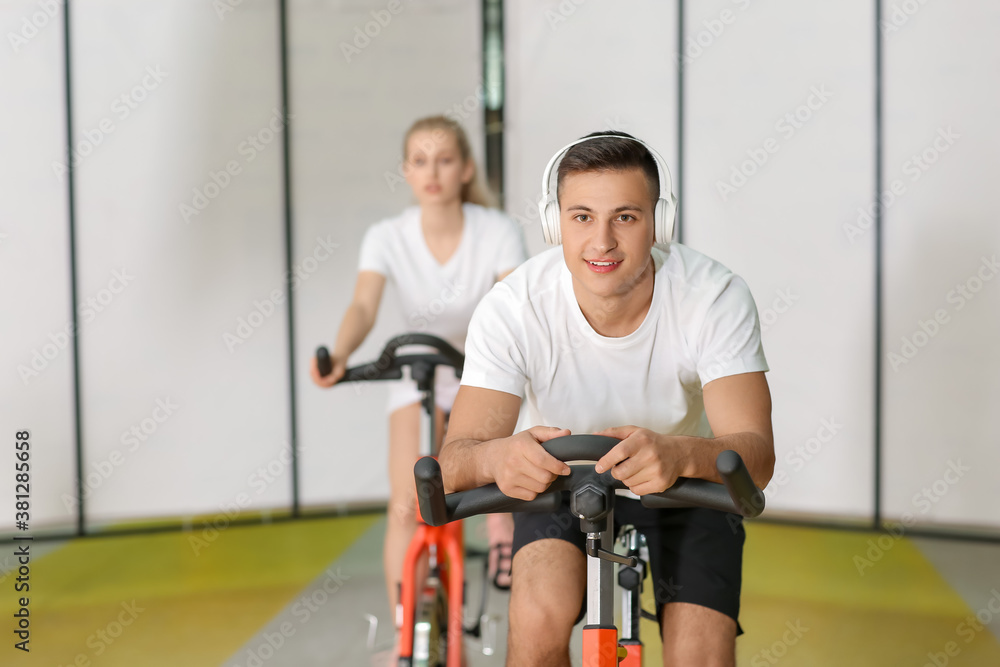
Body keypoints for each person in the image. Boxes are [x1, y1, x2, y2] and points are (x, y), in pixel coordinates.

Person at [438, 131, 775, 666]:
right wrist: (493, 457)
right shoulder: (513, 308)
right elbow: (454, 462)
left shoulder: (714, 297)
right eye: (581, 217)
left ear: (658, 224)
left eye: (625, 216)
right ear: (555, 225)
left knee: (699, 653)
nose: (602, 242)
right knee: (538, 617)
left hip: (685, 483)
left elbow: (755, 456)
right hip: (560, 485)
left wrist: (680, 453)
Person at [309, 115, 525, 635]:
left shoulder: (496, 230)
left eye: (445, 159)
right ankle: (409, 634)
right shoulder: (386, 237)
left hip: (485, 370)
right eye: (421, 160)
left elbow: (516, 306)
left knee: (488, 479)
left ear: (466, 168)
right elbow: (364, 305)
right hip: (419, 371)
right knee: (406, 505)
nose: (433, 172)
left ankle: (502, 525)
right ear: (407, 171)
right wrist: (339, 352)